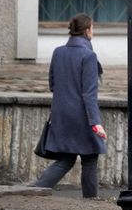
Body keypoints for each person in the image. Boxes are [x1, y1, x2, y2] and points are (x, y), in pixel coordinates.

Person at [35, 13, 107, 198]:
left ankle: (34, 191)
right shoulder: (89, 55)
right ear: (87, 30)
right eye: (92, 28)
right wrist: (96, 123)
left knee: (65, 159)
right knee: (90, 158)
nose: (93, 31)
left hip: (60, 114)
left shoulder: (58, 52)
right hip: (82, 116)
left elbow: (52, 84)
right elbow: (89, 94)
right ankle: (91, 200)